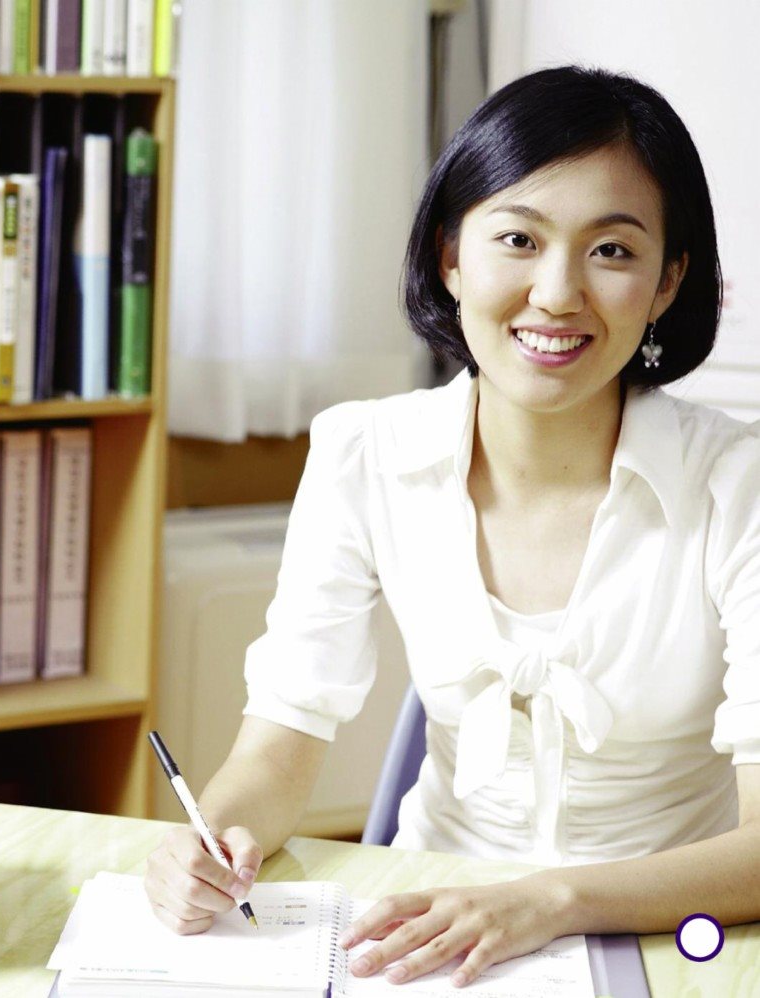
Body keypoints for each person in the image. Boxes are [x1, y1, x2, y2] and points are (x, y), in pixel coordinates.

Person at [144, 64, 760, 988]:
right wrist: (212, 840)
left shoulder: (738, 485)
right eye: (518, 238)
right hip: (428, 929)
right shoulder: (362, 453)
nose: (556, 293)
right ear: (450, 256)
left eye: (613, 251)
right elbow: (276, 748)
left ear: (669, 281)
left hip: (669, 934)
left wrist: (554, 901)